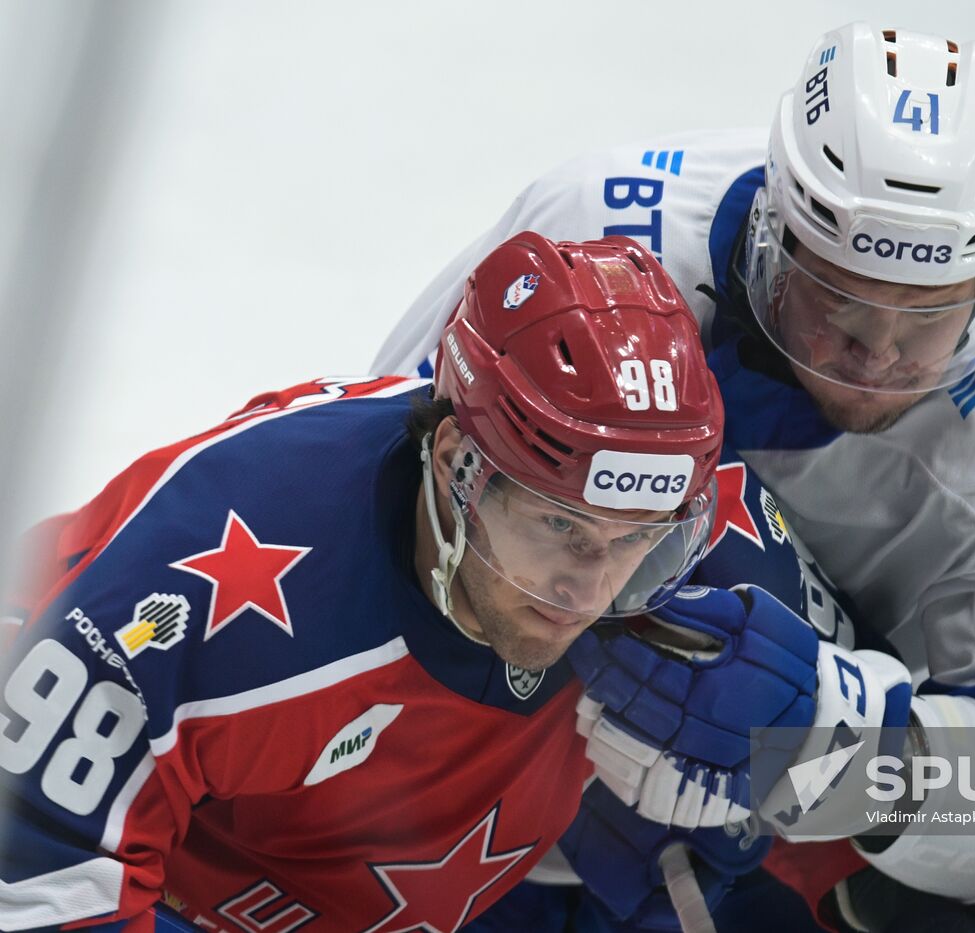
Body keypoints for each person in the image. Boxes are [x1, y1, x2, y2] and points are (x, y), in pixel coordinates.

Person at [376, 21, 975, 928]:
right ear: (774, 231)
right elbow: (399, 485)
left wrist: (841, 743)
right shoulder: (589, 240)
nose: (874, 358)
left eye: (927, 317)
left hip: (785, 839)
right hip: (485, 771)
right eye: (840, 298)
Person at [0, 232, 823, 931]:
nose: (589, 591)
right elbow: (30, 874)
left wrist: (826, 754)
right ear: (457, 465)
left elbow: (943, 796)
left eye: (638, 541)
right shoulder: (200, 587)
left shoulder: (719, 562)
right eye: (559, 528)